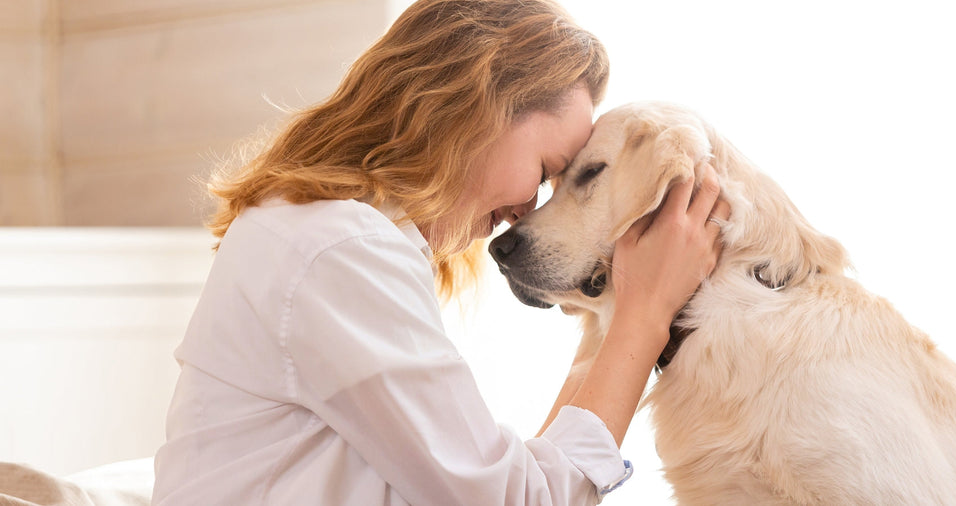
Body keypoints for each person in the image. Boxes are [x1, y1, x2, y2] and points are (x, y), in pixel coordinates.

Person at [151, 0, 727, 504]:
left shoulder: (321, 230)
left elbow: (513, 482)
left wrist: (611, 317)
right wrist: (643, 317)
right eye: (547, 172)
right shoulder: (340, 249)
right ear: (477, 107)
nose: (527, 209)